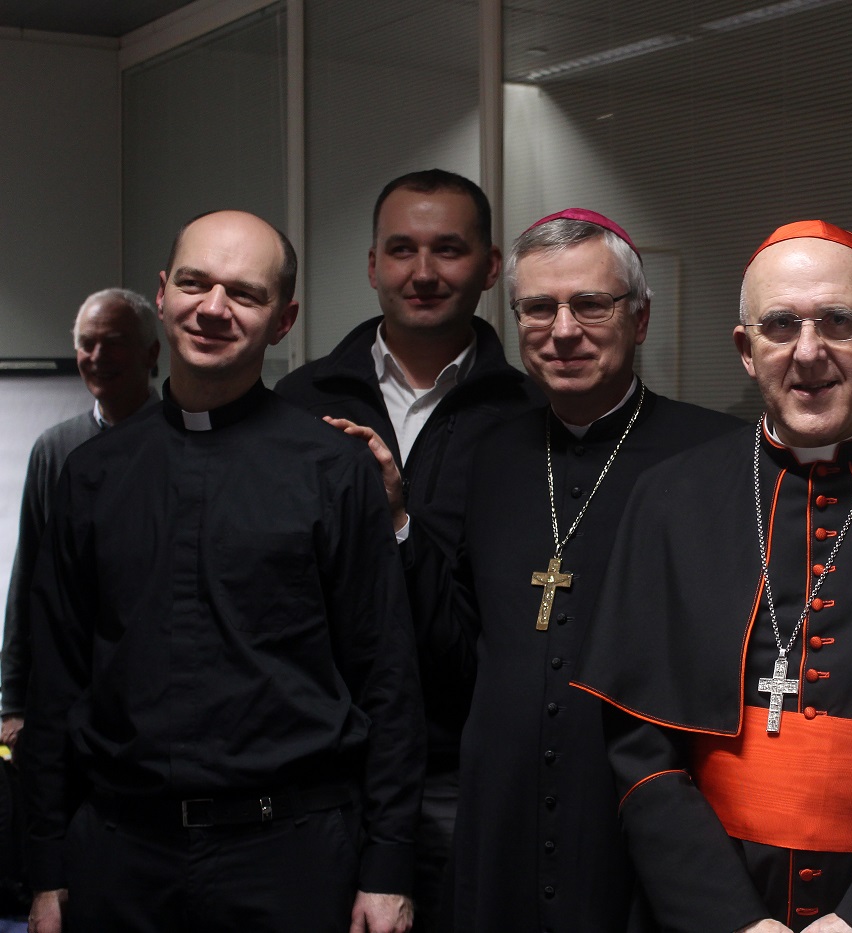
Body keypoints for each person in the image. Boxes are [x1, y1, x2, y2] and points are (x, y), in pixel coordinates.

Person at [574, 220, 852, 932]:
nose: (808, 352)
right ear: (746, 350)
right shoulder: (671, 497)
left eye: (838, 322)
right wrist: (731, 920)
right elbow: (640, 750)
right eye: (780, 325)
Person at [22, 210, 424, 933]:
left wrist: (388, 867)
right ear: (163, 294)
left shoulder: (332, 471)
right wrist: (45, 865)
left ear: (283, 319)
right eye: (194, 283)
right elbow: (55, 682)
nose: (213, 308)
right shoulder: (91, 474)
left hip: (291, 857)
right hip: (119, 856)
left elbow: (387, 679)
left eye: (243, 293)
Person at [382, 207, 736, 932]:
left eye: (591, 304)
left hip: (642, 820)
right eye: (539, 308)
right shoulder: (486, 454)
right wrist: (398, 525)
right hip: (499, 815)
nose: (563, 330)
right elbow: (454, 651)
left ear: (640, 319)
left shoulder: (718, 458)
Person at [275, 169, 538, 929]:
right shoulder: (298, 406)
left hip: (462, 773)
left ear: (490, 267)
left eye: (448, 249)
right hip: (317, 774)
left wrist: (397, 522)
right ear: (372, 265)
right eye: (401, 249)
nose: (423, 272)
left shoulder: (530, 416)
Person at [2, 289, 160, 749]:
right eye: (87, 344)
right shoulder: (55, 449)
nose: (97, 356)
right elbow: (29, 574)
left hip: (155, 690)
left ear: (151, 353)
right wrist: (13, 702)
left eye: (114, 342)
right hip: (68, 691)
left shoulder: (180, 441)